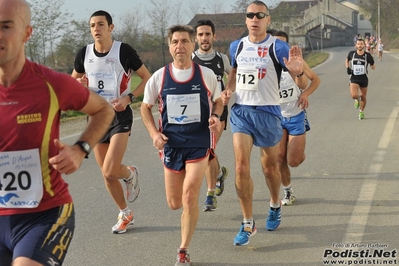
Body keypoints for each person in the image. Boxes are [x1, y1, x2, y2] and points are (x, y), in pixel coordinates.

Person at [0, 0, 114, 265]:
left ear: (27, 32)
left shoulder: (51, 83)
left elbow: (103, 110)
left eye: (6, 26)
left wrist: (81, 148)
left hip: (44, 215)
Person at [221, 0, 304, 246]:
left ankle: (275, 204)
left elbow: (296, 73)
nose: (255, 19)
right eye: (250, 15)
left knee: (269, 169)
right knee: (241, 167)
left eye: (260, 15)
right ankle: (248, 222)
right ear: (245, 20)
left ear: (268, 20)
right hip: (242, 113)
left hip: (268, 114)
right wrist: (227, 91)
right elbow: (234, 78)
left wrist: (297, 70)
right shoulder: (236, 46)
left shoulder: (277, 46)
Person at [140, 25, 223, 266]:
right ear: (169, 47)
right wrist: (154, 134)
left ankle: (183, 250)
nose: (180, 46)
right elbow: (144, 107)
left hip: (199, 143)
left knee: (188, 197)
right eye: (175, 42)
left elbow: (218, 102)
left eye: (185, 41)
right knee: (174, 203)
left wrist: (216, 117)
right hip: (171, 146)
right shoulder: (160, 77)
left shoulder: (205, 74)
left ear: (192, 45)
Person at [71, 10, 151, 234]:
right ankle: (125, 213)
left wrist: (129, 97)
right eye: (92, 25)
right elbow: (72, 82)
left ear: (111, 27)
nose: (96, 29)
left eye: (100, 25)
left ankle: (129, 173)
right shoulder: (84, 54)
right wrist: (81, 85)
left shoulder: (123, 51)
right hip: (96, 118)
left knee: (110, 169)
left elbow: (147, 77)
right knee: (106, 174)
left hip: (119, 116)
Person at [273, 31, 321, 206]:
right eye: (277, 45)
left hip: (295, 115)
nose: (281, 49)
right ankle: (288, 191)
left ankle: (298, 153)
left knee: (293, 161)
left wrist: (305, 93)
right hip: (276, 118)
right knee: (279, 158)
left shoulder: (297, 62)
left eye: (284, 45)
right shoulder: (266, 64)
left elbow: (314, 80)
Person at [192, 19, 231, 211]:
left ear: (214, 36)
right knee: (208, 151)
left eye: (207, 34)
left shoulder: (221, 59)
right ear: (196, 37)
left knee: (208, 148)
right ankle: (219, 175)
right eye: (200, 34)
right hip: (198, 114)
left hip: (219, 112)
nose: (204, 38)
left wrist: (228, 92)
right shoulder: (191, 59)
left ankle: (210, 194)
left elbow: (233, 76)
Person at [345, 38, 375, 120]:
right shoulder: (352, 54)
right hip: (354, 77)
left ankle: (361, 111)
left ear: (364, 45)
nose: (360, 45)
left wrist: (373, 66)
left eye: (361, 44)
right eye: (358, 44)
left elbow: (372, 64)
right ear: (356, 45)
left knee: (363, 96)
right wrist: (348, 67)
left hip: (363, 78)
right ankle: (356, 99)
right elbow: (347, 60)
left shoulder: (367, 55)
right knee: (354, 95)